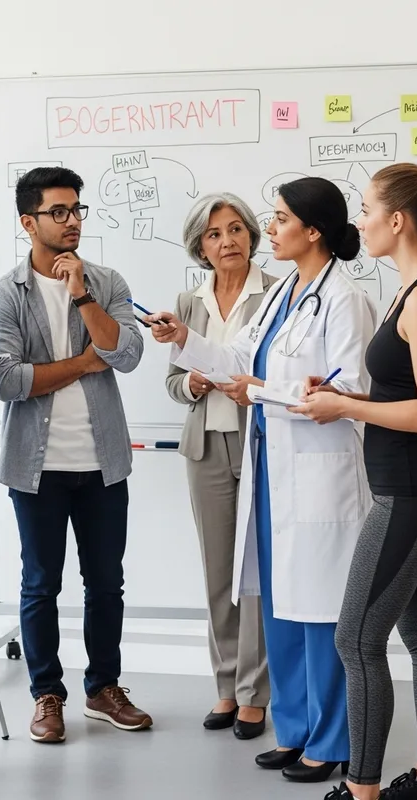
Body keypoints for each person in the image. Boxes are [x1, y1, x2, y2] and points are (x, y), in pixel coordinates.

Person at [146, 176, 376, 784]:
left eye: (277, 220)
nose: (267, 230)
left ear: (313, 230)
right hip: (271, 474)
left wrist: (262, 392)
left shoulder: (345, 299)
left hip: (320, 478)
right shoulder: (283, 297)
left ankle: (332, 741)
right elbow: (234, 361)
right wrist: (184, 339)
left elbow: (350, 392)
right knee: (279, 606)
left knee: (321, 612)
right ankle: (295, 732)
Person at [294, 165, 417, 800]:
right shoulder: (409, 289)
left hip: (413, 491)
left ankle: (360, 792)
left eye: (365, 210)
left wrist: (347, 409)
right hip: (412, 487)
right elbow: (403, 392)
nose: (358, 221)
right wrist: (349, 394)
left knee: (356, 640)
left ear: (397, 220)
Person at [0, 166, 151, 744]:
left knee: (107, 584)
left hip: (103, 463)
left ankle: (103, 689)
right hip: (37, 468)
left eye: (77, 210)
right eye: (59, 212)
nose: (72, 221)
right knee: (39, 585)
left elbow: (126, 353)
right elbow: (5, 381)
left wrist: (81, 294)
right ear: (29, 222)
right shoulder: (4, 295)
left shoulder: (106, 280)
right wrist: (81, 364)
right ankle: (46, 695)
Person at [165, 193, 275, 737]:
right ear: (200, 247)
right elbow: (172, 382)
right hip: (205, 446)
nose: (227, 241)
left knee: (254, 573)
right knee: (217, 572)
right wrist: (193, 381)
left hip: (260, 445)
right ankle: (227, 687)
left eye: (236, 229)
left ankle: (257, 693)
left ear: (252, 235)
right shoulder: (190, 303)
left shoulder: (277, 294)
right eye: (214, 235)